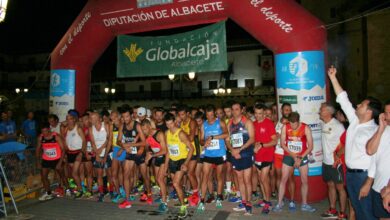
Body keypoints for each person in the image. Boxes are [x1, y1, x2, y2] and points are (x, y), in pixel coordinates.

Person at [328, 66, 381, 220]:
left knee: (366, 212)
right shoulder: (354, 122)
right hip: (350, 174)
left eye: (362, 105)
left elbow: (376, 159)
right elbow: (343, 99)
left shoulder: (374, 131)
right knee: (357, 209)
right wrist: (333, 77)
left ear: (369, 111)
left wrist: (368, 182)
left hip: (363, 176)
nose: (357, 105)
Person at [273, 112, 316, 212]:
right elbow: (283, 145)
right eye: (291, 124)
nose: (292, 126)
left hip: (302, 155)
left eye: (294, 124)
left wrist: (300, 158)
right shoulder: (285, 127)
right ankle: (279, 203)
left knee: (304, 180)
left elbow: (310, 146)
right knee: (283, 179)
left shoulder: (305, 128)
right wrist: (294, 156)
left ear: (298, 121)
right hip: (289, 155)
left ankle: (304, 204)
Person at [197, 105, 228, 212]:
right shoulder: (203, 125)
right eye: (207, 115)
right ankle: (201, 200)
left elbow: (226, 134)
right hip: (208, 154)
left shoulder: (220, 122)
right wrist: (204, 142)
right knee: (205, 176)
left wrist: (214, 137)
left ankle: (219, 197)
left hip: (220, 153)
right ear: (205, 114)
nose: (209, 117)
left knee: (219, 176)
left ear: (214, 113)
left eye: (211, 115)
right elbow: (200, 139)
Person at [319, 103, 347, 219]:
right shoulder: (322, 123)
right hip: (326, 162)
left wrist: (338, 156)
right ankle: (332, 209)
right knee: (330, 185)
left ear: (328, 112)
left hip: (336, 163)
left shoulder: (338, 126)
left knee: (340, 188)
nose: (319, 112)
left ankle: (342, 213)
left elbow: (346, 144)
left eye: (321, 110)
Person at [227, 101, 255, 215]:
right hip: (235, 153)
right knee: (239, 179)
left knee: (247, 179)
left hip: (246, 153)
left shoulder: (247, 122)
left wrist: (240, 149)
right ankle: (243, 202)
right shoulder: (230, 123)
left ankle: (248, 204)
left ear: (241, 110)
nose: (234, 111)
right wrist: (232, 150)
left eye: (237, 109)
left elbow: (252, 138)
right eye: (233, 109)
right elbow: (227, 140)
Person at [165, 113, 194, 219]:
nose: (170, 126)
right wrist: (166, 166)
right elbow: (168, 151)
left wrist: (185, 163)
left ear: (174, 122)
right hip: (173, 161)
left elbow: (191, 149)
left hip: (181, 160)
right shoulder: (167, 133)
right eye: (167, 124)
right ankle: (184, 200)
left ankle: (183, 208)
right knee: (178, 184)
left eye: (171, 124)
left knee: (176, 183)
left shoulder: (180, 133)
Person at [117, 108, 147, 209]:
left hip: (139, 151)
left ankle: (149, 193)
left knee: (144, 175)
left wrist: (131, 144)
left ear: (131, 116)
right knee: (126, 174)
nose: (125, 119)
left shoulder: (137, 125)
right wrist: (124, 146)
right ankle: (127, 199)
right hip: (130, 152)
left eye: (127, 116)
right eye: (123, 117)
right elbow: (118, 141)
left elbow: (144, 142)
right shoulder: (122, 126)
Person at [366, 101, 390, 219]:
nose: (387, 115)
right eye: (386, 112)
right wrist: (380, 129)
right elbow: (370, 150)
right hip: (379, 186)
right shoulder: (383, 130)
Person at [252, 104, 277, 214]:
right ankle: (264, 199)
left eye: (260, 113)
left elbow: (275, 141)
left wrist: (262, 145)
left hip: (267, 156)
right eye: (256, 113)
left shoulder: (269, 123)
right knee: (260, 180)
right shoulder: (253, 124)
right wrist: (254, 147)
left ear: (264, 113)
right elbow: (253, 140)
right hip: (257, 156)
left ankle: (268, 202)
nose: (258, 116)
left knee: (263, 179)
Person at [141, 119, 168, 211]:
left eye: (144, 129)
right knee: (158, 179)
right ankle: (164, 195)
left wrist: (151, 155)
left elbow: (165, 151)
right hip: (157, 158)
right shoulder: (148, 136)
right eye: (142, 129)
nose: (143, 131)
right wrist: (148, 152)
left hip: (165, 158)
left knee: (160, 179)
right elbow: (147, 146)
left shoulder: (159, 134)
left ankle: (164, 202)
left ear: (149, 127)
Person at [36, 122, 65, 201]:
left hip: (57, 159)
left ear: (49, 129)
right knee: (44, 176)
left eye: (46, 131)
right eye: (42, 132)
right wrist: (38, 162)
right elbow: (38, 150)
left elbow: (63, 150)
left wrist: (60, 162)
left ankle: (68, 189)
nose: (44, 133)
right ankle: (48, 193)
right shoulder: (41, 138)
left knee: (62, 175)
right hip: (46, 159)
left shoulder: (56, 136)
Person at [177, 105, 199, 206]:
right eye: (179, 115)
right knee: (185, 173)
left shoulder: (192, 122)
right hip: (184, 151)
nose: (181, 116)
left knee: (190, 173)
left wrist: (182, 135)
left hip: (193, 150)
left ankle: (196, 194)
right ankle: (189, 192)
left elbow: (190, 138)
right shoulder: (181, 123)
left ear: (187, 114)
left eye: (183, 114)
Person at [89, 112, 111, 202]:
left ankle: (111, 190)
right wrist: (97, 154)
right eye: (91, 118)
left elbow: (108, 139)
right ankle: (101, 192)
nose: (91, 120)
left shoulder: (105, 125)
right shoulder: (91, 128)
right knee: (99, 174)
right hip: (97, 152)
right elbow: (92, 142)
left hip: (107, 151)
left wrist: (101, 149)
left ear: (99, 118)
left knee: (109, 173)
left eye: (93, 118)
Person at [64, 112, 86, 199]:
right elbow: (64, 141)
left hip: (78, 153)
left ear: (74, 119)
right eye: (67, 119)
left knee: (74, 173)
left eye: (70, 119)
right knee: (77, 172)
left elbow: (84, 141)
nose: (68, 121)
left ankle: (80, 190)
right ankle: (81, 188)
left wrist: (81, 153)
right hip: (69, 153)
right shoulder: (66, 129)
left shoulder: (78, 129)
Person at [110, 111, 126, 203]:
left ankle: (123, 189)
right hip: (116, 149)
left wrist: (122, 149)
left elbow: (127, 139)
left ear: (119, 117)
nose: (113, 119)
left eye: (115, 117)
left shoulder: (123, 125)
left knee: (122, 171)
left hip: (124, 148)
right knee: (114, 173)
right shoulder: (112, 126)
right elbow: (111, 139)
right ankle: (118, 192)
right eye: (111, 117)